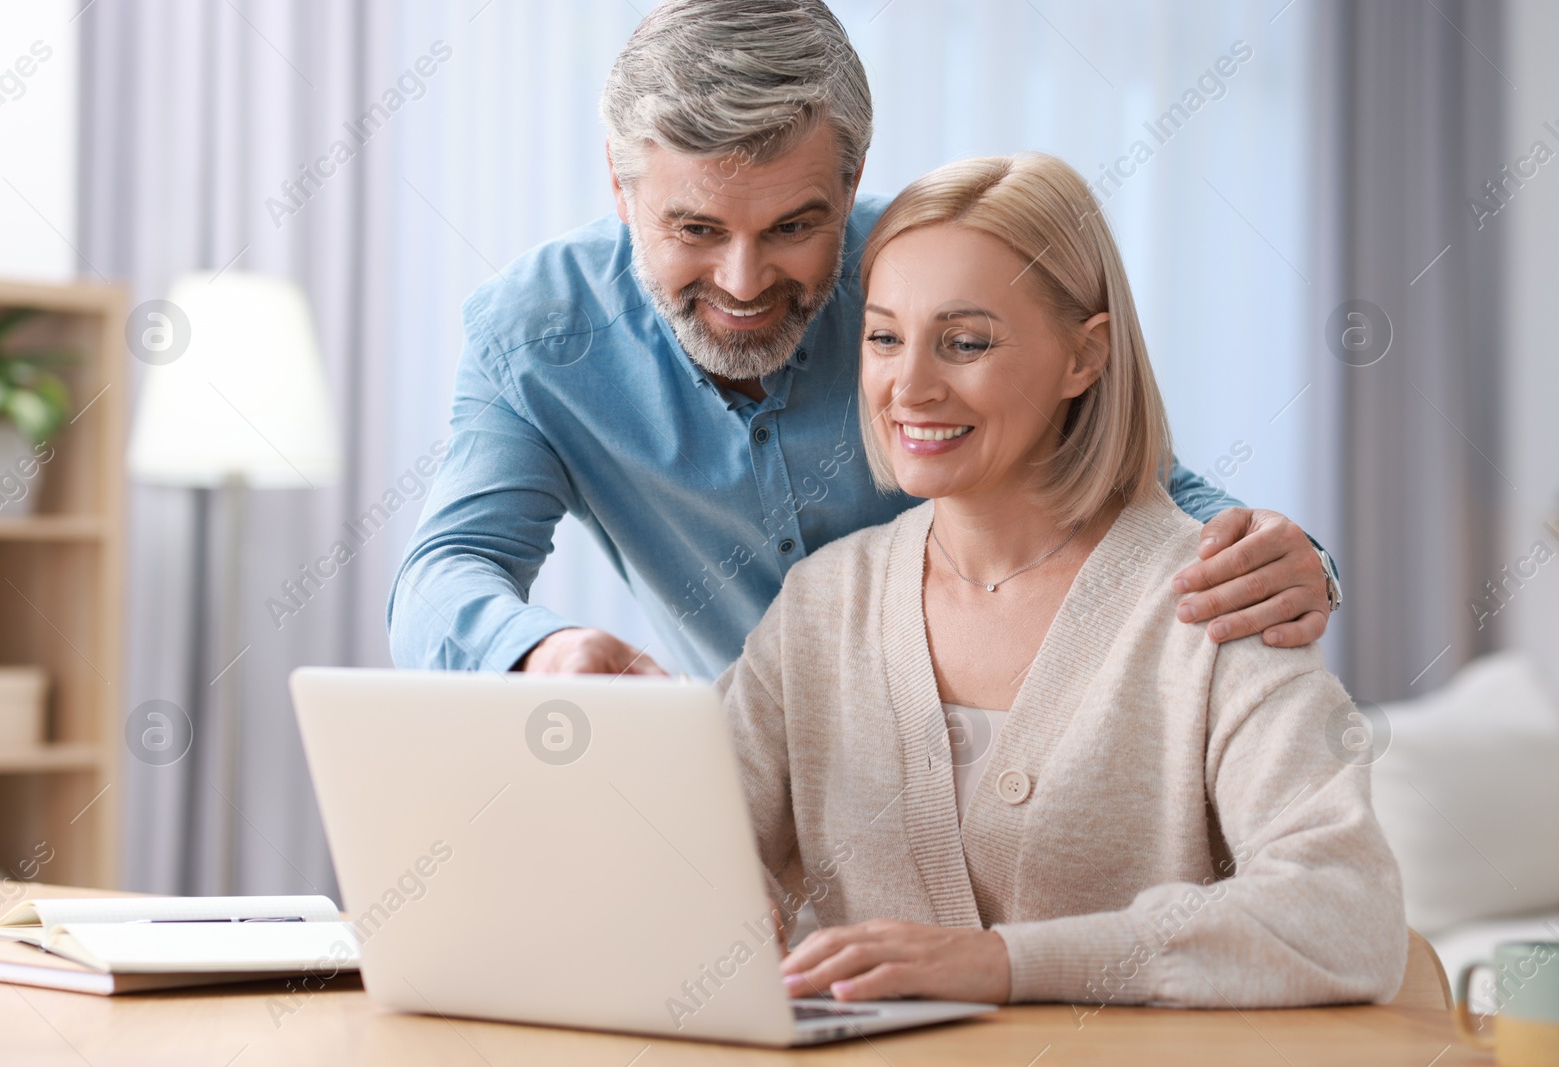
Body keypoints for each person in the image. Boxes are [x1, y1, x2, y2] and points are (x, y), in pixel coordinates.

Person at [386, 0, 1341, 681]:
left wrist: (1290, 559)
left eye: (796, 227)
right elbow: (444, 571)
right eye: (697, 230)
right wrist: (537, 650)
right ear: (619, 184)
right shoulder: (535, 336)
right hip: (760, 804)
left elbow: (1138, 478)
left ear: (851, 184)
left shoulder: (933, 274)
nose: (744, 282)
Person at [719, 154, 1406, 1007]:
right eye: (885, 337)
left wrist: (1004, 965)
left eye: (966, 343)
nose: (912, 386)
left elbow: (1349, 915)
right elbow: (675, 840)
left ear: (1086, 356)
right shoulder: (822, 606)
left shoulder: (1216, 602)